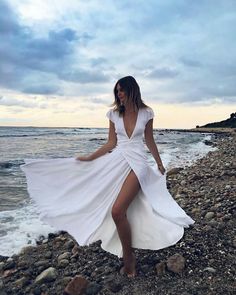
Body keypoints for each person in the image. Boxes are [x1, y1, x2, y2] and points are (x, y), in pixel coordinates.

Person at [21, 76, 194, 278]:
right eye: (117, 91)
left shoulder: (147, 112)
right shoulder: (113, 114)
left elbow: (149, 140)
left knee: (118, 211)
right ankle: (126, 251)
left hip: (138, 163)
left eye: (122, 90)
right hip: (117, 161)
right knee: (104, 203)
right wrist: (89, 158)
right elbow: (111, 143)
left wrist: (159, 163)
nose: (119, 94)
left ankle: (129, 259)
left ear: (132, 90)